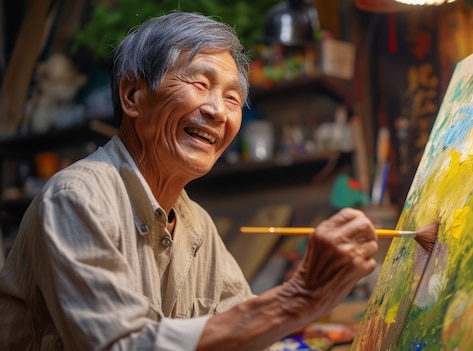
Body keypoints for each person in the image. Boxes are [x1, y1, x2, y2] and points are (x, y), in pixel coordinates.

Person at [0, 12, 378, 351]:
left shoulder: (197, 225)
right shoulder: (77, 198)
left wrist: (307, 307)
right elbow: (122, 346)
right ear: (133, 95)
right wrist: (298, 298)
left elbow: (247, 339)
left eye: (232, 98)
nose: (217, 111)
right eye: (199, 83)